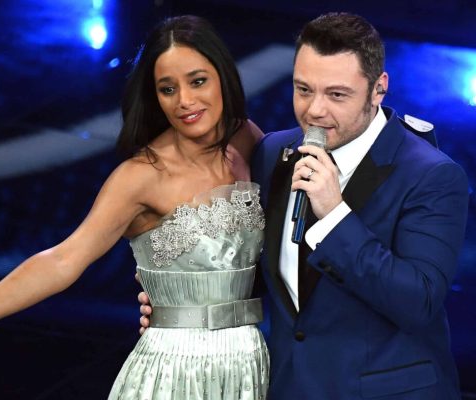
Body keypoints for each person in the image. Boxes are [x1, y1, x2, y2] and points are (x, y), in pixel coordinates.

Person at [0, 15, 270, 399]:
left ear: (223, 76)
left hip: (249, 360)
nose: (185, 101)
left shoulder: (246, 138)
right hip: (178, 369)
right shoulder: (141, 176)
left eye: (198, 81)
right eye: (167, 89)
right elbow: (64, 259)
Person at [141, 12, 469, 399]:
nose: (314, 110)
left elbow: (418, 302)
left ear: (378, 89)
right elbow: (268, 275)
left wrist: (334, 215)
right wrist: (187, 303)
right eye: (303, 89)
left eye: (336, 95)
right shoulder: (272, 153)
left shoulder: (431, 175)